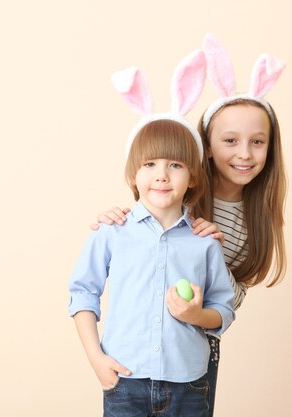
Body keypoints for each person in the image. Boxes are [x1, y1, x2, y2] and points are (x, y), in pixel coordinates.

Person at [91, 33, 288, 417]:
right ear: (207, 146)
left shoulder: (255, 216)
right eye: (230, 140)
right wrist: (116, 217)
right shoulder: (182, 189)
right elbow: (143, 223)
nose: (244, 154)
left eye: (258, 142)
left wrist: (210, 253)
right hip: (136, 352)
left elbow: (229, 300)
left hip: (193, 343)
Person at [69, 50, 235, 417]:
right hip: (124, 380)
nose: (161, 174)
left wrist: (197, 316)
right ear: (133, 174)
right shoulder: (111, 231)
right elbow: (83, 292)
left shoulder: (204, 240)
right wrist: (97, 359)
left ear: (192, 177)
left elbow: (223, 308)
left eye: (175, 164)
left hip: (190, 383)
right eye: (150, 164)